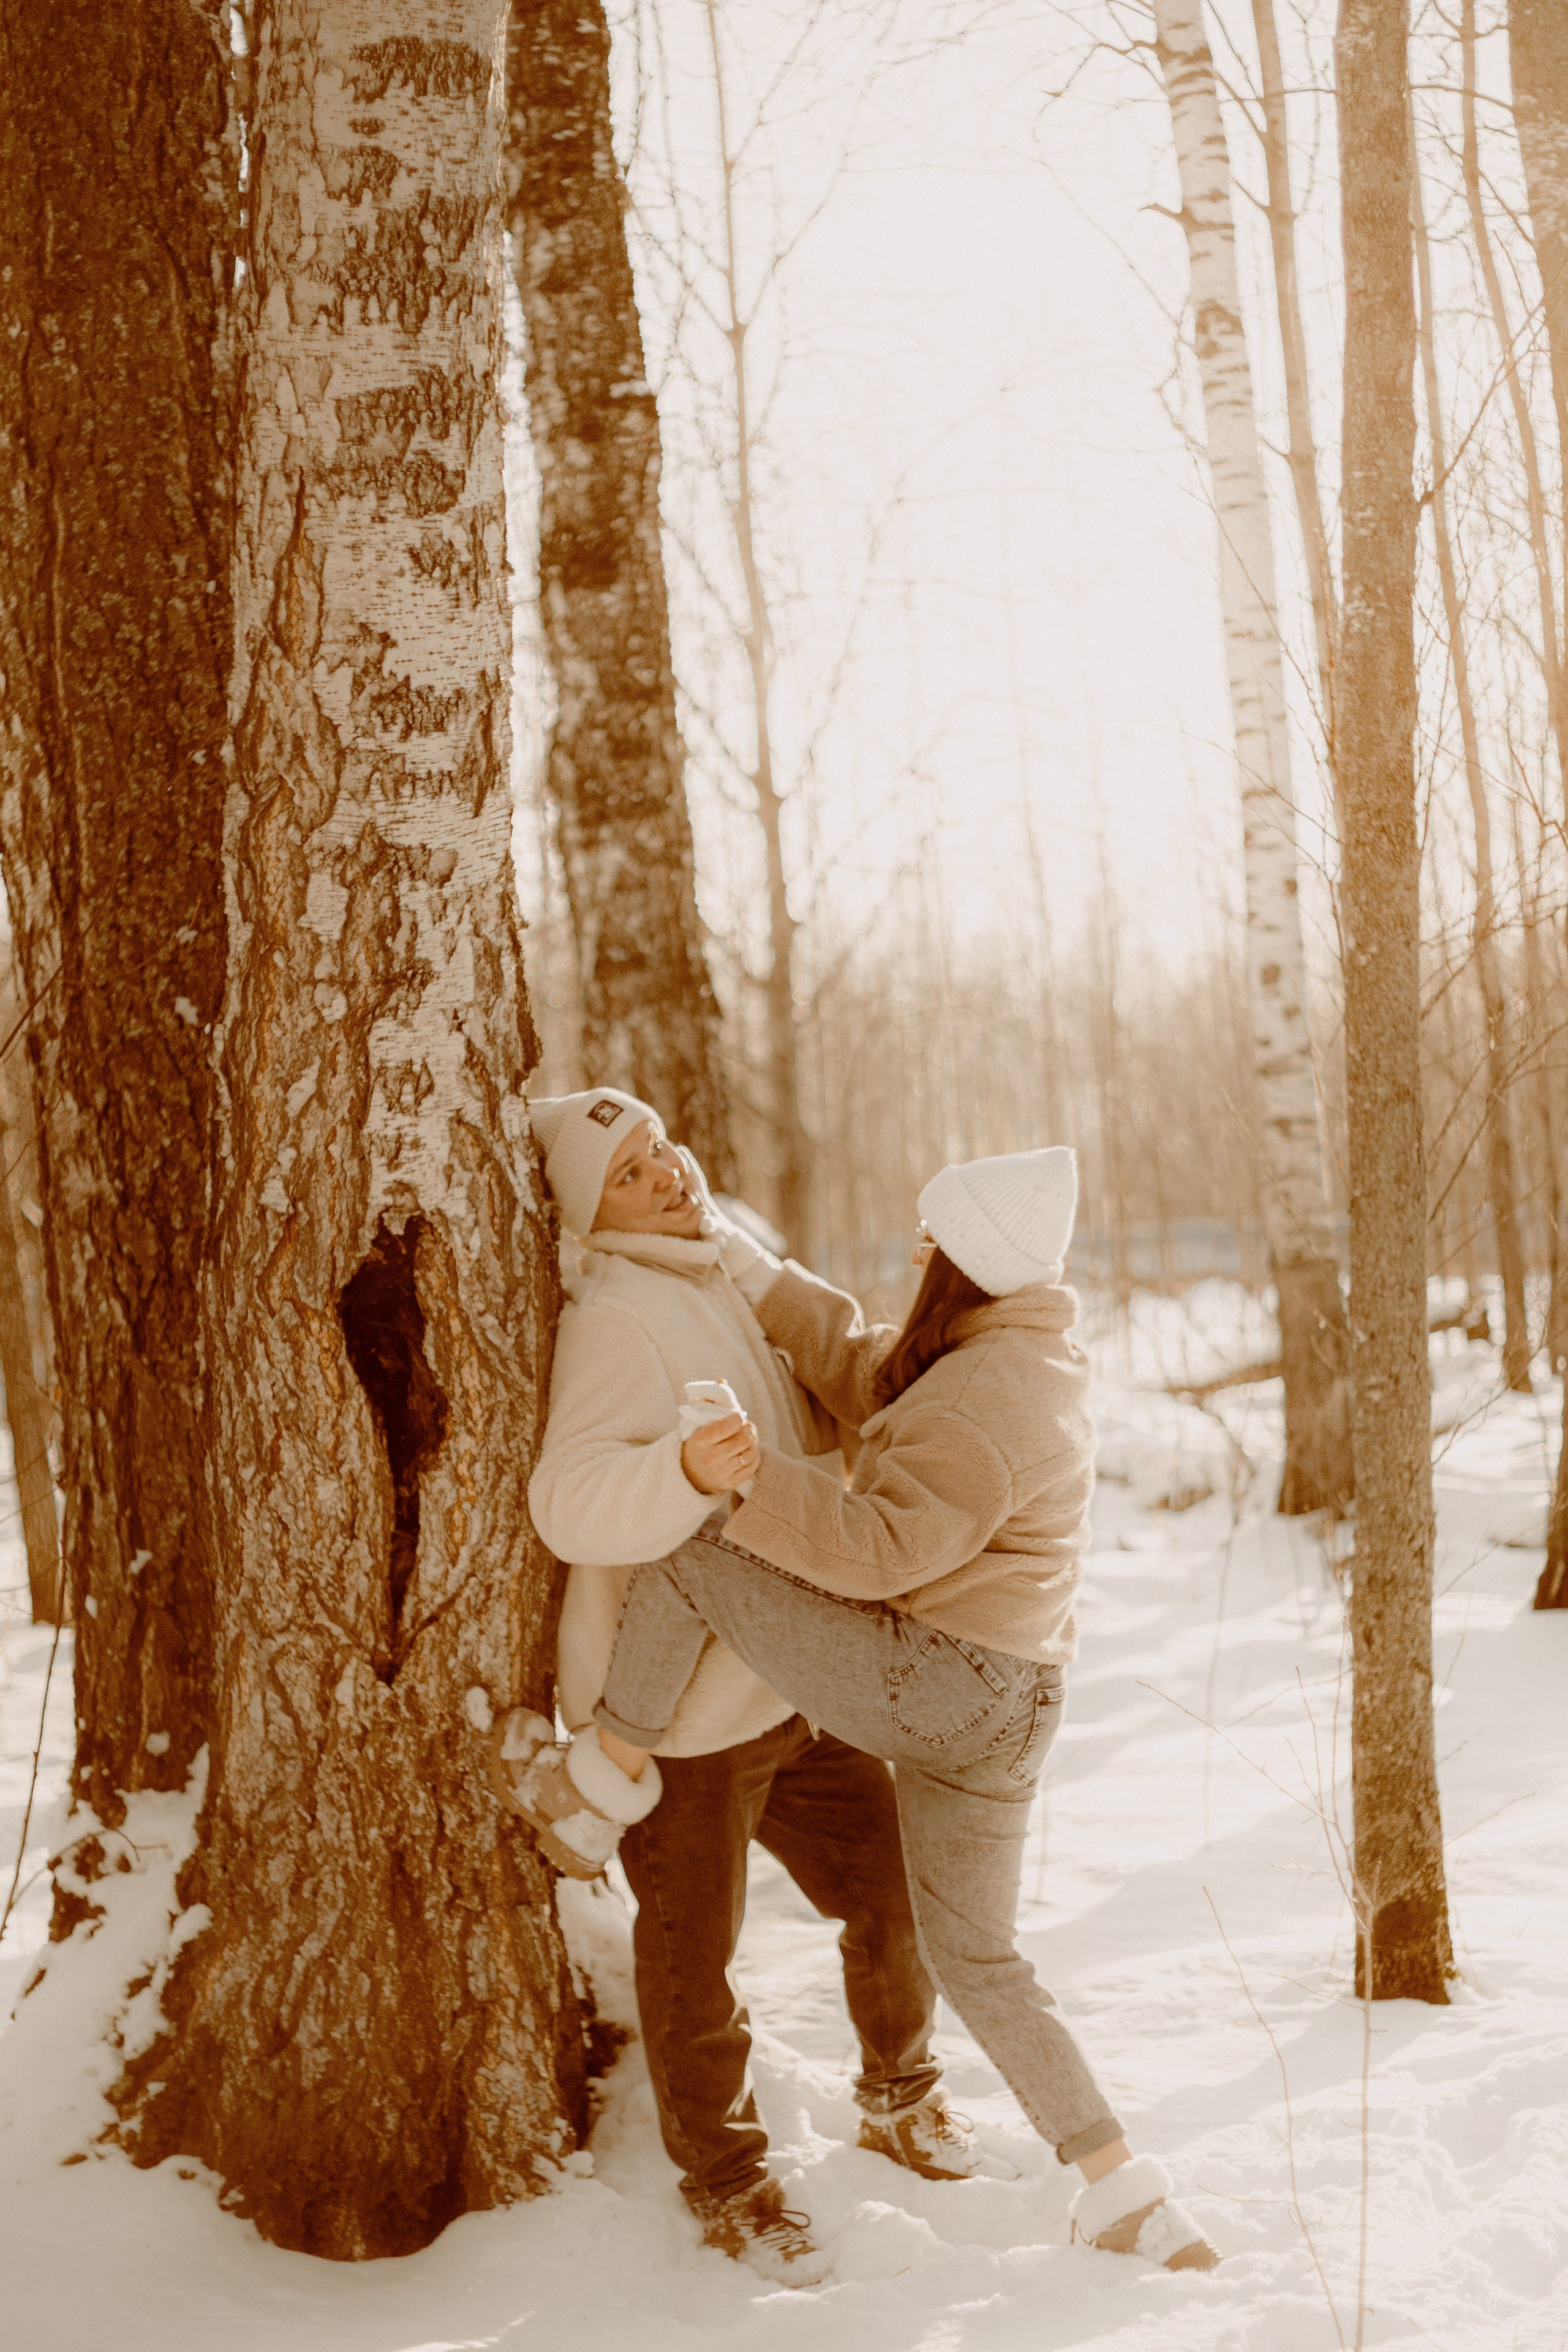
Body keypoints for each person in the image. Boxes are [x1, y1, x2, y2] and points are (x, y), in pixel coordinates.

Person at [498, 1142, 1221, 2278]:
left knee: (692, 1547)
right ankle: (1124, 2189)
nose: (917, 1250)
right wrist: (741, 1260)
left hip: (930, 1685)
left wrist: (743, 1479)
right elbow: (862, 1367)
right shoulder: (1014, 1343)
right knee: (978, 1956)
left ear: (966, 1265)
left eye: (934, 1240)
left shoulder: (987, 1395)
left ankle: (599, 1774)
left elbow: (886, 1549)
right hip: (1015, 1695)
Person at [511, 1087, 995, 2289]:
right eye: (629, 1172)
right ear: (591, 1208)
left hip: (790, 1684)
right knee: (696, 1968)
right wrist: (676, 1469)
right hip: (679, 1724)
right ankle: (726, 2185)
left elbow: (814, 1422)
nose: (666, 1175)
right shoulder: (614, 1319)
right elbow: (564, 1500)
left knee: (893, 1898)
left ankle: (900, 2096)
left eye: (662, 1150)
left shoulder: (724, 1274)